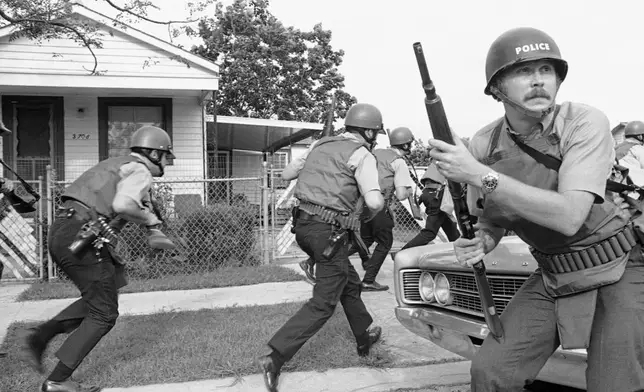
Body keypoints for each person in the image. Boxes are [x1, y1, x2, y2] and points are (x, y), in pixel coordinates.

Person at [428, 27, 644, 392]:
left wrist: (481, 175)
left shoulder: (584, 121)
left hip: (618, 263)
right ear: (497, 89)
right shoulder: (484, 143)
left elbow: (569, 215)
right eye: (524, 72)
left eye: (546, 70)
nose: (539, 81)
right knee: (491, 372)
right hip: (553, 271)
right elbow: (491, 217)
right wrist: (483, 240)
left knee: (614, 384)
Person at [19, 126, 175, 392]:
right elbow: (124, 205)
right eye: (166, 156)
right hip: (81, 234)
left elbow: (120, 205)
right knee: (104, 313)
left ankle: (42, 336)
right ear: (152, 153)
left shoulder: (116, 165)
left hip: (64, 231)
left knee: (109, 285)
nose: (167, 163)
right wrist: (150, 220)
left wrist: (151, 228)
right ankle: (57, 381)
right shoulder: (140, 171)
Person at [257, 103, 385, 392]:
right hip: (328, 234)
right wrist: (376, 205)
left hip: (303, 228)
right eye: (375, 132)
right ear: (368, 131)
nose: (374, 136)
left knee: (348, 283)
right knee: (324, 304)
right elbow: (375, 202)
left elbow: (287, 174)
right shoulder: (361, 154)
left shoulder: (319, 144)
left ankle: (363, 337)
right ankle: (274, 357)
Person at [343, 126, 415, 291]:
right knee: (385, 242)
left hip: (363, 204)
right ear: (405, 145)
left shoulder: (376, 153)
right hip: (380, 205)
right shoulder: (399, 162)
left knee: (365, 240)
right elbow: (402, 195)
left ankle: (325, 259)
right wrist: (409, 189)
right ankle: (368, 280)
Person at [400, 163, 460, 250]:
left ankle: (463, 251)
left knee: (451, 228)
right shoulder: (446, 158)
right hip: (436, 195)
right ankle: (403, 252)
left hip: (431, 193)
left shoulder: (438, 159)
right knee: (430, 232)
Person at [615, 120, 644, 185]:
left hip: (617, 186)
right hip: (635, 190)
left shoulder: (615, 148)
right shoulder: (637, 148)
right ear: (640, 136)